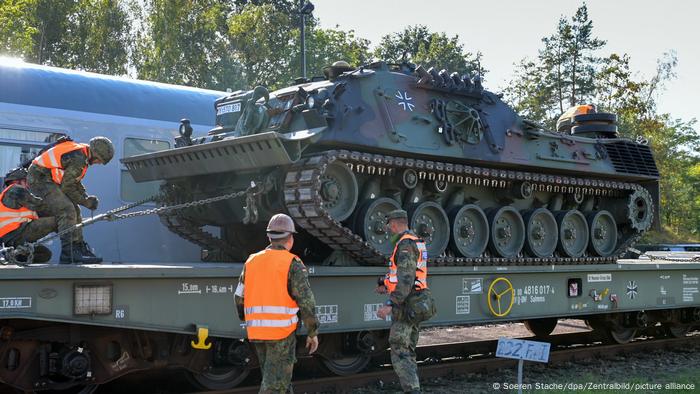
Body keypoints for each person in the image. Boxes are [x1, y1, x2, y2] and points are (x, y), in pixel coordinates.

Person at [234, 213, 320, 393]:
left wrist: (247, 318)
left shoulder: (252, 260)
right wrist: (312, 332)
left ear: (269, 237)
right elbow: (306, 301)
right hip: (281, 334)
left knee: (278, 380)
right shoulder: (292, 263)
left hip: (257, 332)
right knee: (274, 386)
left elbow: (239, 297)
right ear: (290, 238)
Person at [27, 136, 114, 264]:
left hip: (47, 178)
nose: (98, 163)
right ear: (95, 154)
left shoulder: (82, 153)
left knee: (75, 210)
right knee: (67, 209)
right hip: (39, 180)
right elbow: (67, 187)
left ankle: (78, 248)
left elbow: (75, 182)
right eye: (99, 160)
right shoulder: (79, 158)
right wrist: (86, 202)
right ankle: (68, 253)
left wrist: (85, 197)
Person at [375, 209, 434, 394]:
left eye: (389, 226)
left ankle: (412, 390)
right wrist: (386, 284)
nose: (388, 230)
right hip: (416, 302)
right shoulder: (415, 241)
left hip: (407, 305)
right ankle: (413, 387)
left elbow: (406, 279)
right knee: (408, 348)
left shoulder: (406, 244)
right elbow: (406, 275)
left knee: (400, 349)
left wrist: (390, 303)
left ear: (393, 224)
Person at [0, 168, 54, 263]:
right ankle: (74, 248)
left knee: (45, 254)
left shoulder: (13, 197)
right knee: (59, 220)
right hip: (15, 235)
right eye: (27, 181)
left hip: (11, 240)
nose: (29, 184)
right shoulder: (15, 190)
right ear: (19, 181)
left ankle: (15, 257)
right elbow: (41, 205)